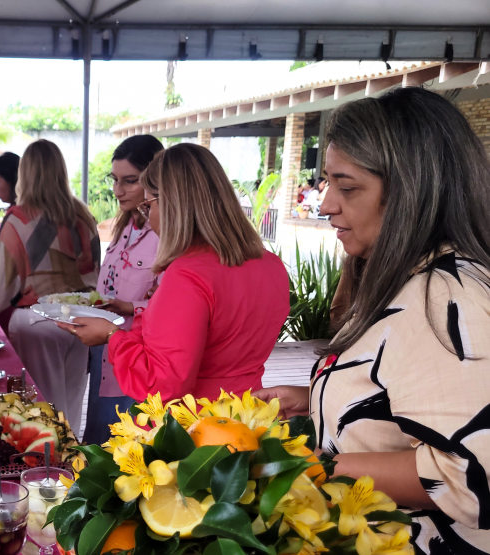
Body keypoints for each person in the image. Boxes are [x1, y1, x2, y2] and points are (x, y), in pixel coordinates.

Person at [257, 87, 490, 553]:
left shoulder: (443, 294)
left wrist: (303, 467)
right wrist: (325, 399)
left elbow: (471, 473)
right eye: (327, 184)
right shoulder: (414, 280)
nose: (325, 205)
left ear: (410, 191)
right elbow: (421, 397)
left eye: (348, 187)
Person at [58, 143, 289, 404]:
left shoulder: (188, 276)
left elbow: (161, 384)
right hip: (248, 413)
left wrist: (112, 336)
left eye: (148, 206)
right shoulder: (271, 265)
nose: (148, 217)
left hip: (194, 427)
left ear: (172, 205)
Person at [0, 139, 100, 434]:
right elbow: (94, 267)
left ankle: (46, 472)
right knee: (70, 403)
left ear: (25, 173)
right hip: (82, 317)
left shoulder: (19, 217)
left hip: (37, 318)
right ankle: (72, 468)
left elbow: (4, 280)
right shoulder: (82, 214)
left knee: (42, 408)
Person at [82, 135, 163, 445]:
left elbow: (173, 309)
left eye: (130, 181)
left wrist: (131, 308)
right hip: (106, 352)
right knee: (97, 441)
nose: (118, 190)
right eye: (114, 180)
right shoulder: (125, 225)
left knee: (125, 452)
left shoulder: (167, 234)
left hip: (138, 359)